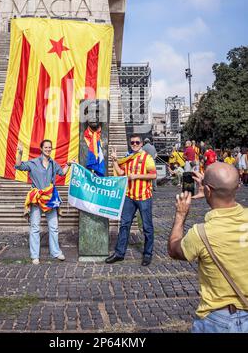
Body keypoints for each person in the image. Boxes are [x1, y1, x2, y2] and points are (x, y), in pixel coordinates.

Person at [168, 163, 248, 333]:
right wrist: (210, 185)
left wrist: (181, 215)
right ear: (238, 188)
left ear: (208, 191)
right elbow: (222, 188)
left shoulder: (201, 233)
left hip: (216, 320)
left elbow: (174, 249)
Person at [15, 139, 74, 265]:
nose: (48, 149)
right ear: (41, 149)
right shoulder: (33, 163)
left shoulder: (53, 163)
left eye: (50, 147)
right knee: (35, 227)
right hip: (36, 199)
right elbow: (19, 166)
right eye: (46, 147)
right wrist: (19, 153)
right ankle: (35, 256)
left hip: (50, 199)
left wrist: (69, 165)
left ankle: (56, 253)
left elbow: (62, 173)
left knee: (54, 227)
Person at [105, 135, 157, 266]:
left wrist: (137, 176)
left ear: (141, 144)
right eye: (132, 142)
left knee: (147, 226)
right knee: (124, 224)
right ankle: (119, 253)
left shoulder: (147, 158)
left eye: (137, 142)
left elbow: (153, 174)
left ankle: (147, 254)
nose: (134, 144)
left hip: (144, 196)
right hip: (129, 196)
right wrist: (114, 161)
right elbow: (120, 173)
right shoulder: (128, 158)